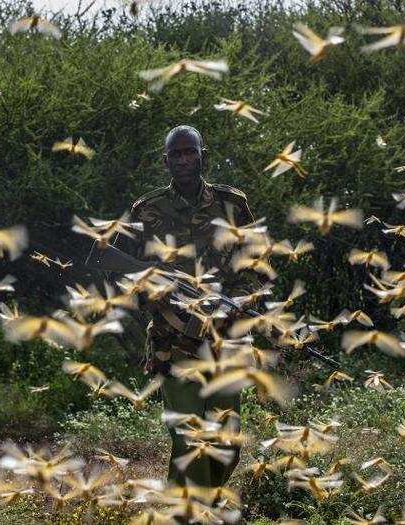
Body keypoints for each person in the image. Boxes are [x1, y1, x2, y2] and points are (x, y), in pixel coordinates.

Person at [115, 125, 259, 488]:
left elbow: (256, 264)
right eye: (176, 154)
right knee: (189, 439)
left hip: (226, 337)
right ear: (165, 161)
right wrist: (156, 291)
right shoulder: (145, 211)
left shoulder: (233, 205)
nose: (183, 160)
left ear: (202, 156)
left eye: (189, 152)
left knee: (227, 440)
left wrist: (239, 301)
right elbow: (117, 270)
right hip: (173, 339)